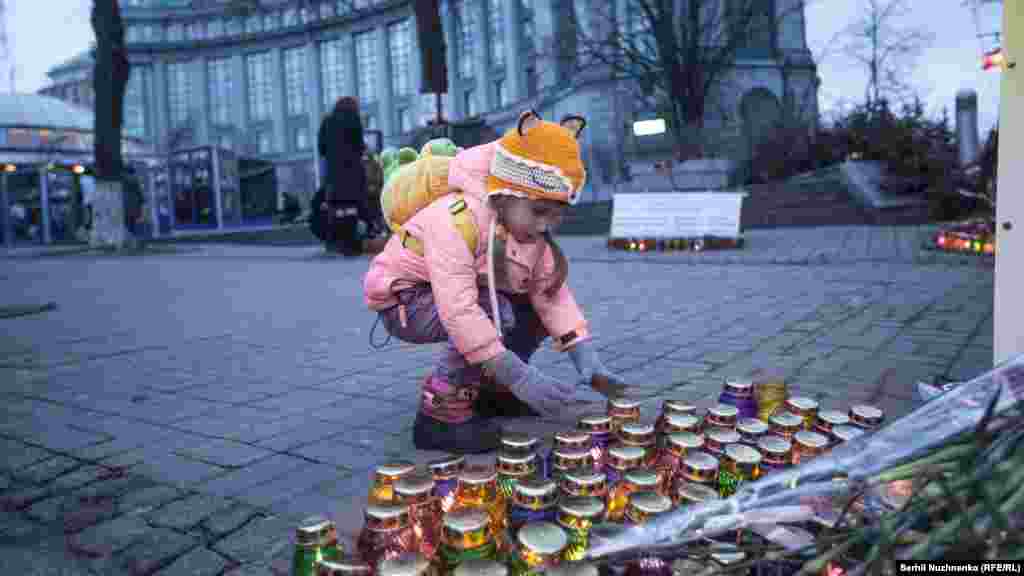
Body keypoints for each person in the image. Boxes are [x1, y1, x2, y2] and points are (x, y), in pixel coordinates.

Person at [363, 110, 627, 454]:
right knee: (493, 310)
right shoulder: (455, 218)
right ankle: (439, 415)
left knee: (527, 306)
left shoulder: (525, 230)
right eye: (539, 212)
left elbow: (551, 294)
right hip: (405, 300)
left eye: (557, 215)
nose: (547, 225)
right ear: (506, 192)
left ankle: (492, 394)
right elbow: (459, 310)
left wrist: (585, 357)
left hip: (456, 297)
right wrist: (517, 374)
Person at [318, 96, 368, 256]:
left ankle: (334, 242)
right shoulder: (354, 119)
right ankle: (352, 244)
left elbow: (321, 149)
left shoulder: (327, 121)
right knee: (353, 207)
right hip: (353, 172)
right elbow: (359, 145)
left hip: (334, 173)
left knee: (336, 207)